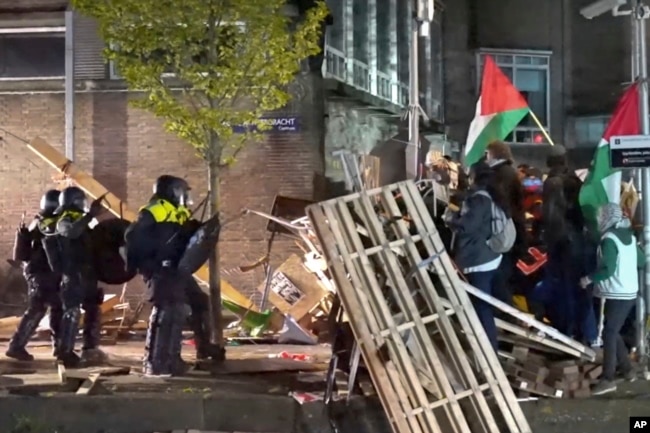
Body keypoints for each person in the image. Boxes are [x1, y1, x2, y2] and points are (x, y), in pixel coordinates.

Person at [125, 175, 221, 377]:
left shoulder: (178, 212)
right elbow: (132, 236)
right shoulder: (154, 210)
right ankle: (156, 362)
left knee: (198, 301)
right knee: (169, 309)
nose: (186, 196)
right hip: (162, 270)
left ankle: (202, 348)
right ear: (174, 191)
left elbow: (183, 239)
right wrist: (147, 265)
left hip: (178, 269)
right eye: (183, 191)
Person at [580, 203, 644, 395]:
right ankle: (627, 370)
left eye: (601, 216)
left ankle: (607, 378)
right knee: (612, 331)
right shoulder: (630, 238)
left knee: (609, 333)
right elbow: (641, 261)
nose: (599, 220)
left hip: (616, 292)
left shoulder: (608, 240)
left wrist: (588, 279)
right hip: (630, 292)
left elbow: (607, 269)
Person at [444, 161, 507, 350]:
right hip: (488, 258)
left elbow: (467, 227)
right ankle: (487, 348)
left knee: (482, 308)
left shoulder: (480, 199)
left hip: (479, 260)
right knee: (482, 305)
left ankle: (490, 352)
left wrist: (451, 219)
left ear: (474, 177)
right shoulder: (491, 195)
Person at [542, 145, 597, 344]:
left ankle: (568, 332)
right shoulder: (575, 181)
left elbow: (549, 217)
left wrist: (545, 237)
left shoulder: (552, 183)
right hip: (578, 240)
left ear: (550, 161)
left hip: (561, 242)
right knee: (579, 289)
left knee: (564, 289)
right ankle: (588, 334)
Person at [46, 186, 106, 367]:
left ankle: (90, 348)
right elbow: (70, 232)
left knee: (93, 309)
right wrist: (90, 216)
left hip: (87, 274)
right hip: (72, 274)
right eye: (81, 200)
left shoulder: (83, 220)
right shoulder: (64, 220)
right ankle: (66, 351)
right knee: (71, 312)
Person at [5, 190, 63, 361]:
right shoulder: (48, 224)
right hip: (41, 273)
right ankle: (16, 346)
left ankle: (60, 349)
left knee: (57, 308)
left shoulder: (39, 221)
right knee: (37, 309)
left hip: (42, 272)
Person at [485, 141, 526, 307]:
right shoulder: (507, 172)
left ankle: (506, 312)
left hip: (505, 231)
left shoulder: (501, 174)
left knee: (502, 275)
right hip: (512, 229)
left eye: (487, 154)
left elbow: (502, 203)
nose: (485, 158)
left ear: (494, 154)